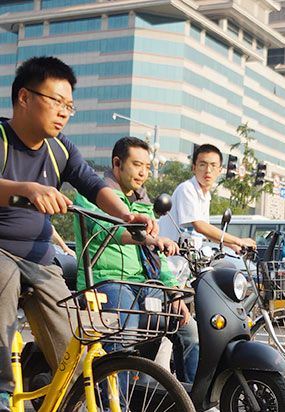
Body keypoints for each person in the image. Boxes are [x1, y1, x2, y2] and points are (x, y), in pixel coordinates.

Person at [0, 56, 156, 412]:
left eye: (70, 104)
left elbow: (93, 185)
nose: (64, 111)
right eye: (57, 100)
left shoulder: (61, 150)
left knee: (74, 352)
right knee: (0, 272)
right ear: (24, 97)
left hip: (39, 261)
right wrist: (27, 189)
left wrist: (129, 216)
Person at [71, 136, 201, 386]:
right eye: (136, 165)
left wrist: (173, 292)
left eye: (147, 167)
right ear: (117, 163)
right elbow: (116, 233)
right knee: (125, 335)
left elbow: (156, 257)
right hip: (105, 282)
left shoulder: (144, 203)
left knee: (188, 329)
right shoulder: (92, 196)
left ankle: (191, 402)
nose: (143, 173)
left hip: (142, 283)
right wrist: (152, 239)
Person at [158, 144, 255, 253]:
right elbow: (200, 226)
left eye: (213, 165)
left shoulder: (205, 196)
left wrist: (232, 246)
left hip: (191, 262)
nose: (208, 170)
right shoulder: (187, 188)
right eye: (203, 165)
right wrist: (238, 241)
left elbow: (205, 232)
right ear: (194, 168)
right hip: (171, 261)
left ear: (220, 170)